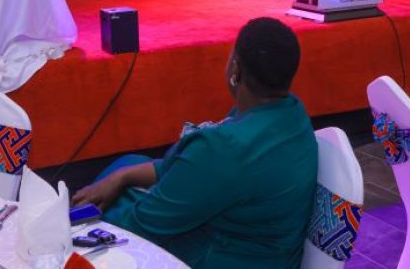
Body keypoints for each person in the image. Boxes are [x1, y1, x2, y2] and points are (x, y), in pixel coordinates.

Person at [72, 17, 317, 268]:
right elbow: (176, 168)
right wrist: (121, 177)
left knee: (94, 220)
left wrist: (84, 222)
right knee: (128, 164)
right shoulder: (291, 111)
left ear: (236, 69)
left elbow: (142, 224)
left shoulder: (225, 148)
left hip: (224, 256)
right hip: (262, 243)